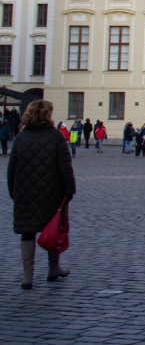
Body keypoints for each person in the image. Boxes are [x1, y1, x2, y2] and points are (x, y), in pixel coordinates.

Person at [7, 100, 76, 289]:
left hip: (25, 194)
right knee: (52, 230)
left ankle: (27, 276)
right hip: (52, 193)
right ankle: (53, 268)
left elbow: (12, 169)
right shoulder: (56, 137)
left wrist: (14, 191)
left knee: (27, 234)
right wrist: (69, 190)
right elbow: (65, 167)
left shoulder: (21, 138)